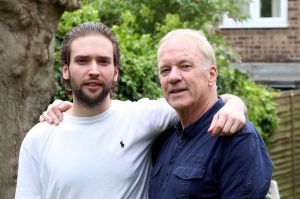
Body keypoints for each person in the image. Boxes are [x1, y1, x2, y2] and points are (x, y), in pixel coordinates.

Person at [15, 22, 246, 199]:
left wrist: (235, 104)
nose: (94, 70)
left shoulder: (143, 117)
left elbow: (202, 101)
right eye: (83, 61)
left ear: (115, 71)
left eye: (103, 61)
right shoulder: (40, 138)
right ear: (65, 70)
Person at [148, 29, 273, 199]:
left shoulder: (238, 139)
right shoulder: (164, 138)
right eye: (165, 70)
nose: (173, 77)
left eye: (185, 66)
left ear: (211, 75)